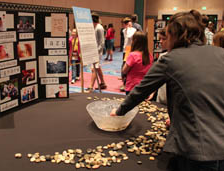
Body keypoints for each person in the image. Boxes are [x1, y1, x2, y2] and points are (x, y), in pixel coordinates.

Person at [111, 11, 224, 171]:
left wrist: (119, 111)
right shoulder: (220, 53)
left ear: (174, 36)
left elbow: (141, 91)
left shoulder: (170, 59)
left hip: (197, 151)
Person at [85, 13, 107, 92]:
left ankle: (90, 86)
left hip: (97, 52)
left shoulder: (99, 28)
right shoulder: (94, 27)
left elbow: (101, 42)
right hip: (94, 51)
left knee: (94, 68)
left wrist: (96, 53)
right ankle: (103, 83)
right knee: (97, 68)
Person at [120, 17, 136, 92]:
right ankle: (124, 83)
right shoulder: (124, 30)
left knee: (128, 66)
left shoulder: (133, 30)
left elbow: (129, 36)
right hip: (125, 50)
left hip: (130, 50)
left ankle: (126, 83)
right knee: (123, 66)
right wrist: (127, 28)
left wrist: (129, 27)